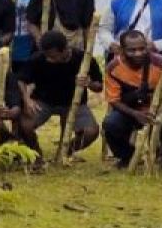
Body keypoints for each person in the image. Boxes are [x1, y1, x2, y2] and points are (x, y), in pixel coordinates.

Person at [103, 30, 162, 170]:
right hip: (131, 111)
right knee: (111, 124)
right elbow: (114, 100)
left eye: (142, 48)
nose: (138, 53)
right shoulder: (113, 68)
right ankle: (127, 157)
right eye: (132, 50)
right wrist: (135, 114)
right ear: (121, 50)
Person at [17, 30, 103, 163]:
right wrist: (27, 100)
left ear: (65, 50)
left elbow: (99, 87)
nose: (48, 58)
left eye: (52, 55)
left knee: (91, 132)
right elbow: (21, 80)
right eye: (46, 54)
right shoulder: (38, 58)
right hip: (44, 101)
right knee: (25, 125)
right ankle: (35, 154)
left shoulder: (83, 58)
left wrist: (88, 83)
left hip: (74, 103)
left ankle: (65, 152)